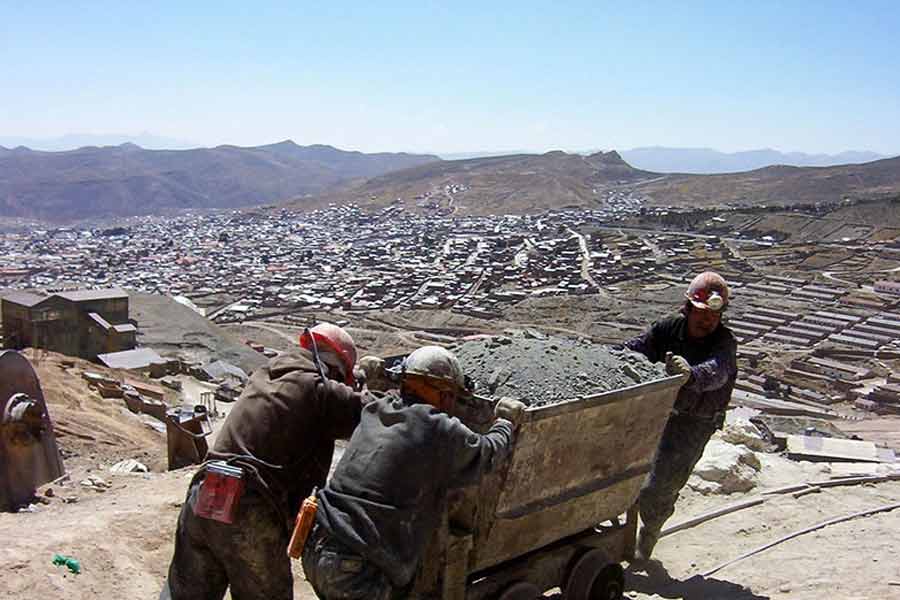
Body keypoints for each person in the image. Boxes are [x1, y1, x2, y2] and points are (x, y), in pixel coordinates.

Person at [302, 345, 526, 599]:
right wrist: (505, 422)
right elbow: (487, 454)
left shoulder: (377, 408)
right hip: (355, 568)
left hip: (317, 544)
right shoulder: (436, 427)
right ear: (442, 392)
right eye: (451, 394)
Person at [163, 323, 367, 600]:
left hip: (205, 491)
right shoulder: (318, 388)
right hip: (250, 505)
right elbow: (376, 414)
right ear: (335, 369)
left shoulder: (264, 375)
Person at [625, 271, 738, 560]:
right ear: (687, 308)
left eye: (714, 315)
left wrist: (692, 375)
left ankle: (649, 531)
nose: (707, 320)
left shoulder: (724, 342)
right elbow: (637, 349)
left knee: (658, 487)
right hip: (658, 409)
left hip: (694, 421)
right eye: (700, 312)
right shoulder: (667, 329)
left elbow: (718, 371)